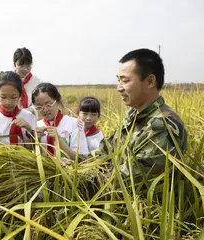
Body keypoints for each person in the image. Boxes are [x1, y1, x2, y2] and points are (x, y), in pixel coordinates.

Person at [68, 49, 187, 183]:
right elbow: (105, 153)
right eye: (118, 80)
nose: (119, 87)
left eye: (125, 81)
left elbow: (130, 181)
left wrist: (76, 181)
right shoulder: (133, 115)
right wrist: (73, 165)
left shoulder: (163, 126)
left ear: (150, 82)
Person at [33, 83, 89, 159]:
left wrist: (58, 139)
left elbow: (81, 158)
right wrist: (37, 140)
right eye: (39, 107)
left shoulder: (75, 124)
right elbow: (36, 158)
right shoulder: (37, 126)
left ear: (58, 101)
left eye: (48, 104)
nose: (44, 109)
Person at [13, 47, 41, 112]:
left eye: (28, 65)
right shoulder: (7, 81)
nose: (25, 69)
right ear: (15, 64)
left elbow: (39, 103)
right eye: (21, 66)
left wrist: (28, 111)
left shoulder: (37, 83)